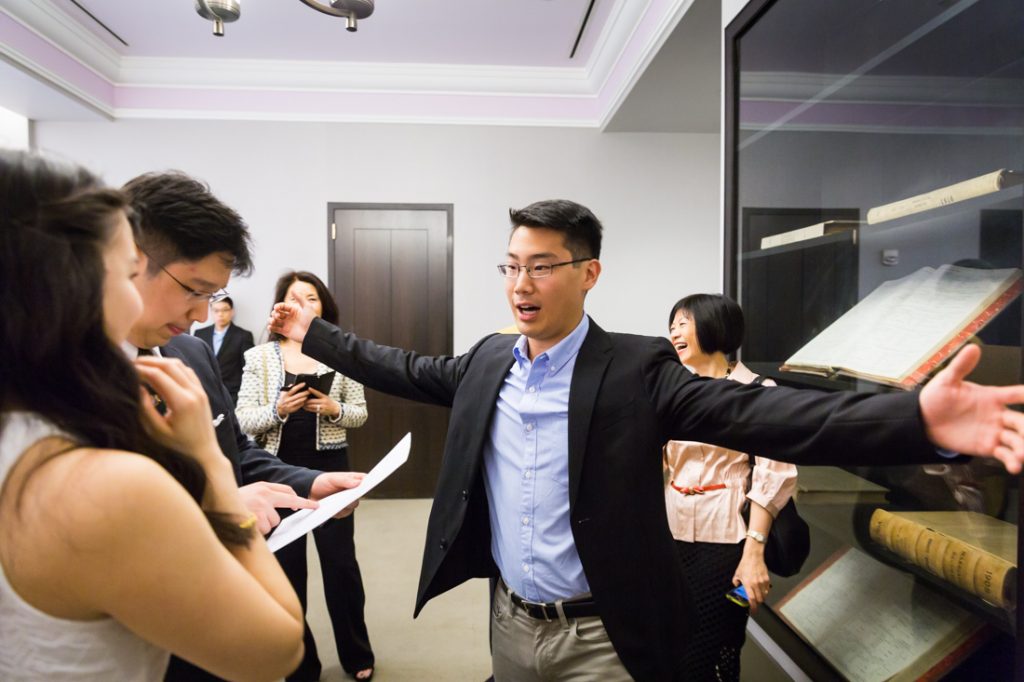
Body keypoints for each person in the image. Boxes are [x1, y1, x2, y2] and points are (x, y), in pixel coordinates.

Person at [269, 199, 1024, 681]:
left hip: (605, 635)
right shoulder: (490, 360)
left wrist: (917, 421)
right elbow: (400, 367)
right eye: (511, 266)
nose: (520, 283)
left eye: (541, 266)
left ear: (588, 272)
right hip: (508, 624)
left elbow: (763, 416)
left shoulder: (636, 367)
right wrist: (316, 334)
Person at [0, 149, 308, 681]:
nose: (199, 314)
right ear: (65, 287)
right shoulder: (102, 486)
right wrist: (213, 472)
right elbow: (278, 649)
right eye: (126, 271)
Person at [122, 171, 365, 681]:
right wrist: (226, 508)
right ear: (130, 261)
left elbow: (233, 446)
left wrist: (311, 481)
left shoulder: (188, 353)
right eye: (194, 290)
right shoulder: (64, 383)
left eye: (213, 297)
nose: (199, 315)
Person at [237, 271, 375, 682]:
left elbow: (360, 414)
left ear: (322, 307)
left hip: (331, 470)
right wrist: (278, 409)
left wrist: (334, 409)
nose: (302, 304)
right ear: (280, 307)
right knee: (286, 572)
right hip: (277, 475)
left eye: (311, 298)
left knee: (341, 568)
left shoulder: (341, 356)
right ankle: (301, 665)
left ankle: (356, 653)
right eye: (293, 297)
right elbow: (243, 421)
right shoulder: (259, 358)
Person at [663, 293, 796, 681]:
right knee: (668, 647)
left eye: (683, 322)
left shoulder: (757, 390)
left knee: (711, 649)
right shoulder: (671, 390)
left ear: (714, 326)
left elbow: (776, 474)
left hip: (728, 543)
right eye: (671, 324)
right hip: (669, 539)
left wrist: (753, 553)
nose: (674, 331)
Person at [194, 296, 254, 405]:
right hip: (204, 395)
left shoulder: (243, 336)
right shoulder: (199, 334)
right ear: (211, 312)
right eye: (216, 310)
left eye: (225, 310)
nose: (220, 314)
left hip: (232, 396)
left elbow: (249, 368)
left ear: (232, 311)